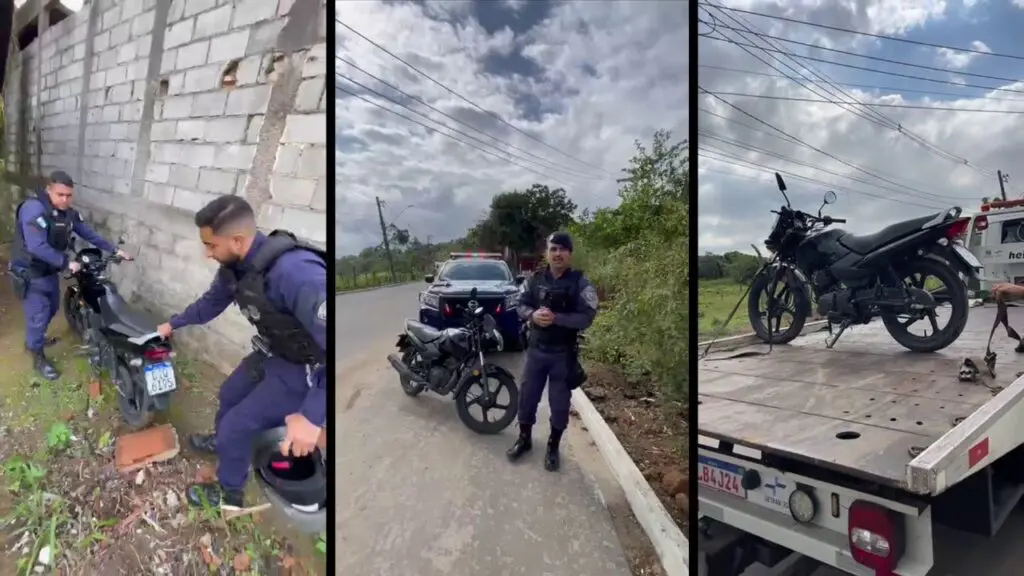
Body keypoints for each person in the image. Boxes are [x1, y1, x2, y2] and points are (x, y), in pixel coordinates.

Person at [156, 195, 327, 511]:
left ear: (236, 240)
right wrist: (172, 324)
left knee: (238, 424)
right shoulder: (235, 269)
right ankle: (227, 445)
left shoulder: (295, 273)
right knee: (229, 393)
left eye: (211, 246)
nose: (208, 254)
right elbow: (209, 304)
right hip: (274, 354)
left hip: (306, 370)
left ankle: (229, 494)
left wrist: (314, 414)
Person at [9, 170, 130, 380]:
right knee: (38, 315)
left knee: (53, 307)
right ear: (49, 190)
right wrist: (66, 263)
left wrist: (112, 249)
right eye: (60, 195)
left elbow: (87, 233)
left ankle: (35, 338)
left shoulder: (67, 214)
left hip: (48, 272)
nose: (65, 200)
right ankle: (37, 355)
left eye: (68, 195)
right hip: (30, 272)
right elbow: (36, 246)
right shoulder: (33, 209)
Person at [507, 232, 599, 471]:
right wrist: (532, 315)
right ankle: (524, 439)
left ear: (570, 254)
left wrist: (557, 318)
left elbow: (587, 317)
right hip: (536, 352)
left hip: (562, 355)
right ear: (546, 253)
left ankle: (552, 446)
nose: (557, 254)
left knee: (559, 406)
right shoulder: (534, 280)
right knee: (527, 400)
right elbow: (520, 304)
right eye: (553, 249)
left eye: (563, 249)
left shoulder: (580, 283)